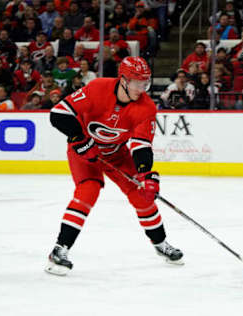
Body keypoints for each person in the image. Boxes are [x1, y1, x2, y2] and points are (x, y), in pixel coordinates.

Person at [45, 56, 183, 276]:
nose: (142, 88)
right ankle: (59, 250)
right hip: (84, 152)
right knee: (88, 191)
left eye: (145, 82)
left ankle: (160, 244)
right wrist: (79, 139)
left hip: (116, 154)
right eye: (137, 82)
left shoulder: (146, 107)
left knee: (142, 195)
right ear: (123, 80)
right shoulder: (98, 88)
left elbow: (141, 144)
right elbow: (59, 114)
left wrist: (146, 174)